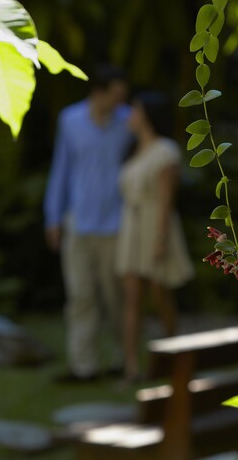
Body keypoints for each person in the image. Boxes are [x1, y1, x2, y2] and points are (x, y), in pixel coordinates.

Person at [44, 64, 132, 381]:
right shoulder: (70, 120)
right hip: (78, 223)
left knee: (115, 298)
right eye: (116, 95)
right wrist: (53, 217)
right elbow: (61, 169)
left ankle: (125, 359)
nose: (121, 101)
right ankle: (84, 367)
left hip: (117, 224)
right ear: (98, 93)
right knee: (80, 297)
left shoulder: (128, 122)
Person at [116, 91, 194, 383]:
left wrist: (160, 239)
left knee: (160, 296)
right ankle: (132, 367)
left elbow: (166, 200)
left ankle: (173, 358)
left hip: (154, 225)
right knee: (132, 299)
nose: (129, 117)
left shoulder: (165, 151)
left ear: (147, 114)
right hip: (131, 226)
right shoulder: (132, 149)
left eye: (134, 110)